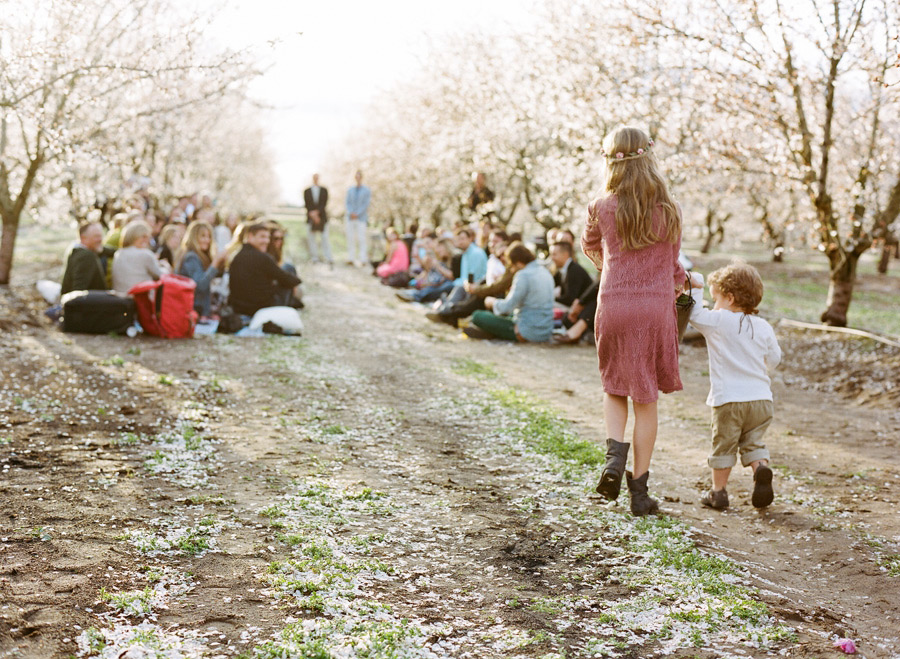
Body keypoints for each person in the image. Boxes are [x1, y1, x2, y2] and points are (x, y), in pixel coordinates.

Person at [581, 125, 685, 516]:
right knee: (646, 399)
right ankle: (639, 493)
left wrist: (611, 263)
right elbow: (673, 263)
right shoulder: (670, 209)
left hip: (614, 305)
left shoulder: (601, 206)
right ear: (650, 157)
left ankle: (612, 459)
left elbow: (590, 244)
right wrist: (674, 283)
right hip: (654, 310)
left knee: (614, 388)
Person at [688, 263, 782, 510]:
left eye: (715, 298)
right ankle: (760, 469)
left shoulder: (719, 321)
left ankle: (718, 493)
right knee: (754, 442)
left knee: (724, 446)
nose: (714, 304)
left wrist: (696, 285)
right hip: (762, 400)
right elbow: (775, 359)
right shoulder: (763, 326)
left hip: (729, 399)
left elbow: (695, 315)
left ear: (729, 298)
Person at [465, 242, 554, 342]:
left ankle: (491, 332)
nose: (511, 270)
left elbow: (507, 307)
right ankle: (491, 333)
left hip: (526, 331)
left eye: (512, 266)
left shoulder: (523, 275)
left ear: (519, 263)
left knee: (477, 316)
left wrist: (492, 302)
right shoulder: (545, 272)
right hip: (546, 331)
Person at [228, 221, 302, 317]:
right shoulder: (262, 257)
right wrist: (296, 282)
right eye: (262, 237)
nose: (266, 241)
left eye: (268, 237)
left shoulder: (238, 256)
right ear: (250, 236)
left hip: (239, 308)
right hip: (259, 308)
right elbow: (287, 279)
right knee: (288, 276)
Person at [396, 226, 487, 304]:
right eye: (458, 239)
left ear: (470, 238)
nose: (460, 242)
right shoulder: (465, 253)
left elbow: (474, 277)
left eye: (462, 239)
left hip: (468, 285)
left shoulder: (475, 253)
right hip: (460, 283)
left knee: (447, 285)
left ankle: (418, 297)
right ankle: (415, 295)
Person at [176, 221, 227, 320]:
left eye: (209, 237)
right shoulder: (191, 257)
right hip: (194, 310)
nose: (207, 240)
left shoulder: (200, 256)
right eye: (203, 236)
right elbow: (200, 285)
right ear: (194, 237)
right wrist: (215, 263)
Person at [111, 220, 164, 295]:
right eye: (143, 236)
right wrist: (166, 267)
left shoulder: (118, 253)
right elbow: (161, 275)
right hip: (140, 300)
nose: (146, 240)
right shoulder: (145, 254)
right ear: (133, 236)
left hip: (120, 297)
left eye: (148, 237)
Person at [60, 222, 112, 295]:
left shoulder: (76, 249)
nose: (100, 239)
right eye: (96, 236)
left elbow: (104, 250)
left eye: (101, 236)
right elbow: (78, 292)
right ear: (83, 238)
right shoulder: (86, 256)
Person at [550, 240, 593, 308]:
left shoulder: (574, 270)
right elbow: (551, 283)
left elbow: (570, 299)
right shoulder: (562, 269)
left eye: (554, 254)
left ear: (565, 254)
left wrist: (549, 298)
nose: (551, 258)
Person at [304, 173, 333, 265]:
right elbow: (307, 204)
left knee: (325, 238)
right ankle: (314, 257)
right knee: (311, 238)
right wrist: (312, 214)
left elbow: (324, 203)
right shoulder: (307, 191)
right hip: (310, 217)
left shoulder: (324, 190)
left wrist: (317, 213)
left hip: (322, 217)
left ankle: (328, 257)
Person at [345, 170, 371, 267]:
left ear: (361, 177)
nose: (357, 178)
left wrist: (358, 213)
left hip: (361, 218)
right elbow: (347, 203)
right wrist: (351, 212)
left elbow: (366, 204)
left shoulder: (366, 190)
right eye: (356, 176)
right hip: (350, 217)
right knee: (350, 238)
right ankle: (351, 258)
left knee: (361, 238)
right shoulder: (350, 190)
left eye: (359, 176)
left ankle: (362, 258)